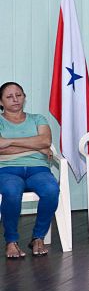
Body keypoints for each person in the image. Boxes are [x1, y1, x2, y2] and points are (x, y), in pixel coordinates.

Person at [0, 82, 59, 258]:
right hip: (7, 170)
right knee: (11, 190)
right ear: (1, 102)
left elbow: (45, 141)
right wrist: (35, 147)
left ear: (24, 97)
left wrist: (9, 142)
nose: (15, 99)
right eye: (9, 96)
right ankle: (11, 241)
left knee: (51, 189)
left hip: (38, 169)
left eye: (18, 95)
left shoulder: (37, 119)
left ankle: (38, 237)